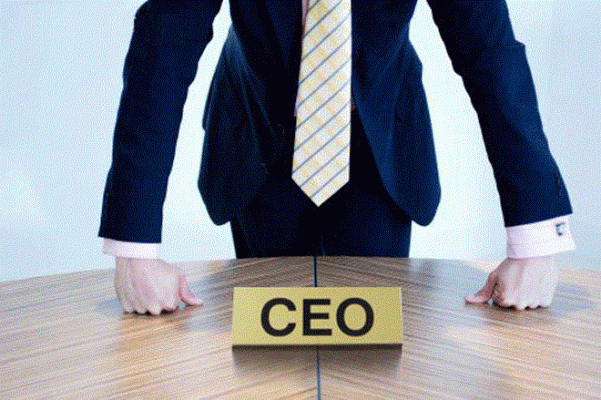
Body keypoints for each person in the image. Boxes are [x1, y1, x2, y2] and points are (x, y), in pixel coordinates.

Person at [99, 0, 575, 315]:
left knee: (373, 352)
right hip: (257, 133)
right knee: (265, 354)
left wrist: (534, 242)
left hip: (377, 144)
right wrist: (135, 249)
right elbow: (163, 49)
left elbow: (489, 53)